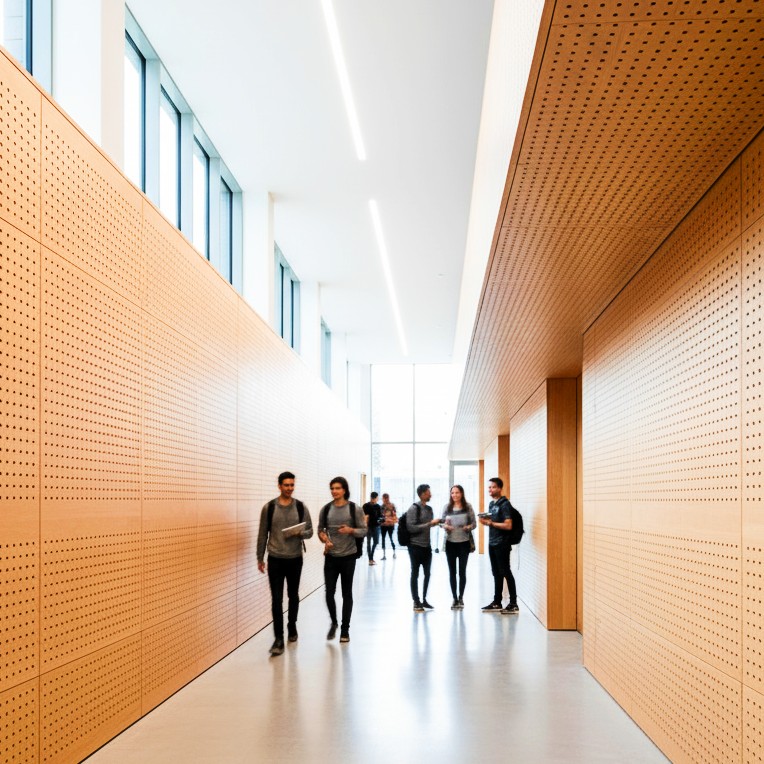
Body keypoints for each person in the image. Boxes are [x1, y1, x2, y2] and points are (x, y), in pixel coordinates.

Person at [257, 471, 314, 656]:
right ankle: (278, 638)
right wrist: (260, 557)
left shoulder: (300, 507)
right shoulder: (269, 508)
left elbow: (310, 531)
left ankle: (292, 626)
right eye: (286, 485)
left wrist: (299, 533)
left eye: (292, 485)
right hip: (275, 558)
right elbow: (262, 533)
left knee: (293, 595)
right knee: (276, 599)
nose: (290, 488)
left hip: (295, 558)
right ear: (279, 486)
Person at [317, 476, 367, 643]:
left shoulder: (354, 509)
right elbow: (320, 531)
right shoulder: (325, 510)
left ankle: (345, 629)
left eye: (337, 488)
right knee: (329, 593)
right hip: (331, 557)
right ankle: (334, 622)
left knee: (347, 593)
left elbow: (364, 531)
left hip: (348, 557)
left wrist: (351, 530)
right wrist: (325, 539)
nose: (334, 491)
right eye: (332, 488)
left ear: (344, 490)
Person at [479, 477, 519, 614]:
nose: (490, 489)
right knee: (496, 573)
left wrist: (491, 523)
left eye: (493, 487)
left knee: (505, 571)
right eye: (489, 487)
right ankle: (497, 602)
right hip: (492, 543)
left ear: (500, 488)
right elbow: (494, 521)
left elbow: (508, 525)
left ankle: (513, 603)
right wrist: (486, 520)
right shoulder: (492, 504)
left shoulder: (504, 504)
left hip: (502, 543)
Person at [405, 484, 440, 612]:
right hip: (414, 546)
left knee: (427, 573)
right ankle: (416, 601)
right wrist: (430, 524)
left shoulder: (430, 509)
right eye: (428, 492)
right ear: (422, 494)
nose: (430, 494)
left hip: (427, 546)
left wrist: (438, 524)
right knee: (415, 573)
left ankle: (424, 599)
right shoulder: (413, 508)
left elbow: (427, 526)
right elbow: (411, 528)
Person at [441, 484, 476, 610]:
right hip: (450, 543)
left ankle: (461, 598)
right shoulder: (447, 507)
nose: (454, 495)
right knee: (452, 572)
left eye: (457, 492)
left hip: (464, 543)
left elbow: (474, 523)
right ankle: (454, 598)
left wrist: (468, 527)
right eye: (452, 493)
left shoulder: (468, 507)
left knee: (462, 572)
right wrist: (445, 526)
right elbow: (442, 522)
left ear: (461, 493)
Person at [362, 492, 383, 565]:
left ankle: (371, 557)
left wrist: (382, 519)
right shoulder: (366, 506)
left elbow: (380, 516)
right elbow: (364, 517)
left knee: (376, 542)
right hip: (369, 527)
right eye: (376, 498)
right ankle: (370, 559)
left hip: (376, 526)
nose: (375, 499)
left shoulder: (378, 506)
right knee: (368, 543)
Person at [380, 493, 397, 560]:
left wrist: (391, 520)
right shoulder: (382, 506)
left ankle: (394, 553)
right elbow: (381, 515)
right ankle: (385, 555)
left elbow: (394, 514)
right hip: (384, 525)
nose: (384, 500)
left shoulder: (392, 505)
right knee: (384, 539)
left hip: (390, 525)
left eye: (384, 498)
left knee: (390, 538)